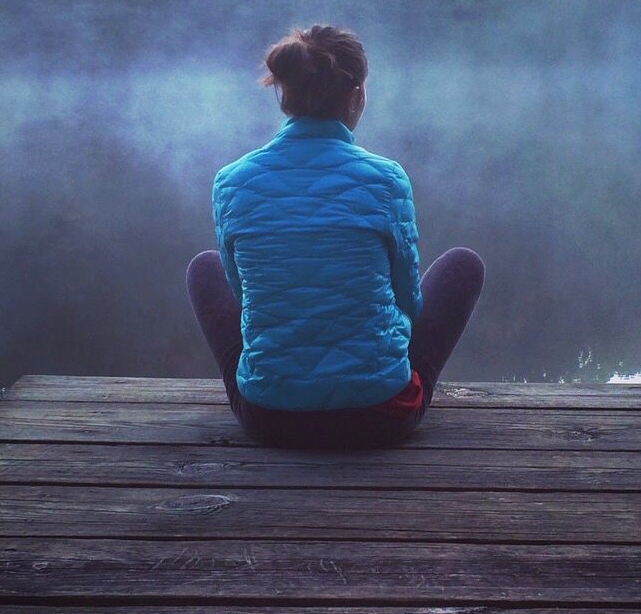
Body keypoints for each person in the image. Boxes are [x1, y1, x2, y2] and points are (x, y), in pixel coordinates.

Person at [186, 23, 484, 446]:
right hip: (378, 416)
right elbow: (409, 304)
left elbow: (242, 296)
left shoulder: (230, 182)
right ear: (356, 95)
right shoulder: (387, 178)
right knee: (463, 266)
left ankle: (287, 379)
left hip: (270, 418)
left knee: (204, 268)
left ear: (284, 96)